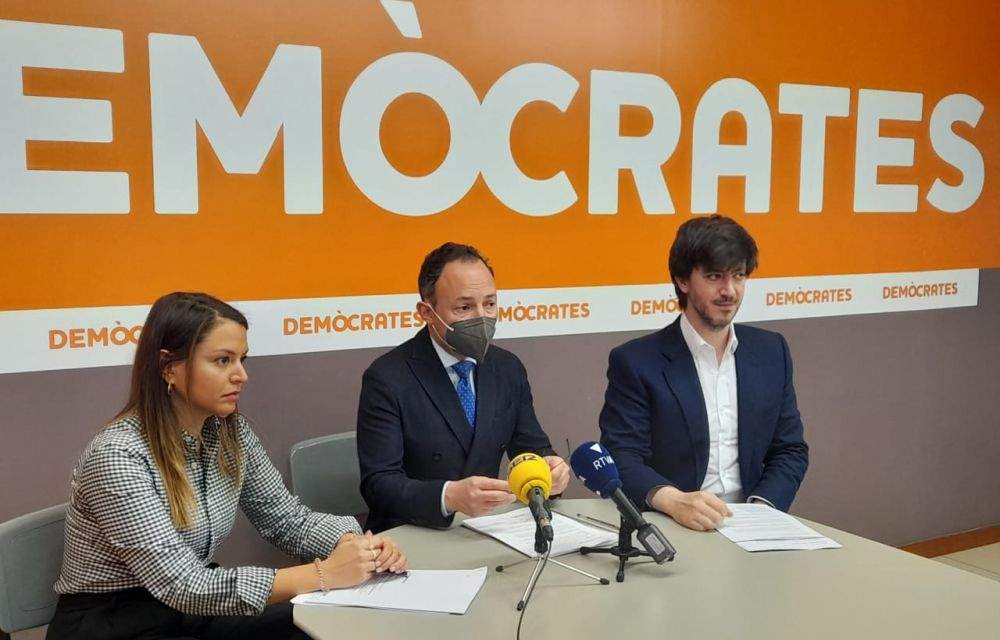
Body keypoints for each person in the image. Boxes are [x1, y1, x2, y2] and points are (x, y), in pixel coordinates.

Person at [47, 292, 407, 640]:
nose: (241, 375)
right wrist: (324, 573)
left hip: (189, 608)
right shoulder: (118, 456)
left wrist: (354, 545)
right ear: (169, 367)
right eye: (223, 360)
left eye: (241, 360)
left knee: (317, 625)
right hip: (114, 622)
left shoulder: (232, 433)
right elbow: (181, 585)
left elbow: (285, 519)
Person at [599, 215, 809, 531]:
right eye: (714, 276)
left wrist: (763, 509)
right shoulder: (636, 361)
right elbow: (621, 456)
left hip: (754, 522)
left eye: (738, 276)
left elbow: (790, 449)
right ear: (683, 280)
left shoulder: (771, 351)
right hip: (673, 523)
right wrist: (672, 500)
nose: (729, 291)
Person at [357, 242, 570, 532]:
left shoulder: (507, 368)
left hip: (486, 529)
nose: (482, 317)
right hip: (411, 533)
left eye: (490, 304)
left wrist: (550, 472)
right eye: (465, 307)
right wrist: (449, 496)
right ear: (427, 312)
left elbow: (531, 449)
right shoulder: (387, 377)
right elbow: (379, 485)